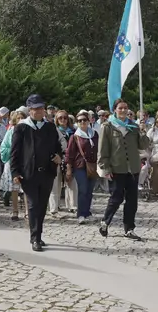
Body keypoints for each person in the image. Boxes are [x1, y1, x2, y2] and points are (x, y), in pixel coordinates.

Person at [10, 94, 61, 252]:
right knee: (33, 204)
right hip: (28, 173)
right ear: (30, 110)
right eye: (36, 109)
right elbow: (14, 152)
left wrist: (59, 156)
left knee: (42, 205)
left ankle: (38, 234)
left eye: (41, 108)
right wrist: (15, 172)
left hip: (47, 172)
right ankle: (35, 238)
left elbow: (57, 146)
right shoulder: (21, 127)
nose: (39, 111)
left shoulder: (50, 127)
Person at [98, 98, 149, 241]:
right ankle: (105, 222)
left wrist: (142, 131)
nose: (123, 110)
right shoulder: (108, 126)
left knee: (132, 201)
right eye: (120, 108)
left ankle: (129, 229)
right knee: (116, 198)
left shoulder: (133, 126)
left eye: (125, 108)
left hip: (132, 168)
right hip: (116, 168)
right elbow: (102, 149)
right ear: (115, 110)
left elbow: (143, 145)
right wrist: (105, 167)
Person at [66, 111, 98, 224]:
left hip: (93, 165)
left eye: (84, 120)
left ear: (88, 121)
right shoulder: (75, 136)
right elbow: (69, 154)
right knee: (83, 190)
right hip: (80, 166)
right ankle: (81, 214)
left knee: (90, 190)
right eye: (79, 121)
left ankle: (87, 212)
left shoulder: (94, 134)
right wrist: (68, 169)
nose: (82, 122)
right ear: (77, 123)